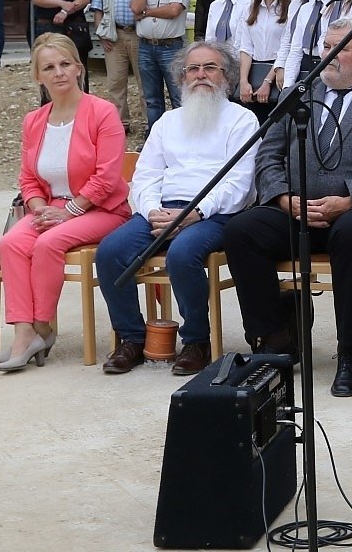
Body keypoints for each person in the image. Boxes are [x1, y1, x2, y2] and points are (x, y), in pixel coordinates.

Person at [225, 22, 352, 395]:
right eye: (325, 46)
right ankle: (276, 339)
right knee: (241, 232)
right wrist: (285, 199)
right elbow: (268, 155)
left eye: (340, 48)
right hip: (297, 211)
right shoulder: (299, 93)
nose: (328, 55)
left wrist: (350, 200)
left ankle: (350, 354)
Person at [94, 41, 259, 377]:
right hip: (162, 210)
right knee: (110, 252)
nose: (200, 75)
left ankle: (196, 341)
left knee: (182, 254)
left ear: (227, 76)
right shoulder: (167, 122)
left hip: (215, 214)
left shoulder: (242, 120)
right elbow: (145, 177)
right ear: (182, 78)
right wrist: (152, 210)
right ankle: (132, 338)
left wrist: (195, 213)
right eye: (192, 69)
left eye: (210, 68)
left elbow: (240, 185)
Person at [0, 33, 129, 372]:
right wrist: (39, 208)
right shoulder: (34, 120)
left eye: (65, 64)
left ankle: (41, 327)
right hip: (52, 207)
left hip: (103, 209)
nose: (59, 73)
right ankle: (24, 332)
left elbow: (108, 176)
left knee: (48, 243)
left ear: (79, 69)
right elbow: (28, 178)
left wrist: (69, 212)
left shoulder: (103, 112)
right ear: (38, 76)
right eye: (49, 67)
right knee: (11, 242)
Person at [92, 0, 147, 128]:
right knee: (115, 83)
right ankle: (121, 123)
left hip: (142, 35)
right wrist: (102, 34)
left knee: (145, 82)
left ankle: (149, 123)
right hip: (115, 36)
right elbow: (97, 7)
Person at [131, 0, 190, 125]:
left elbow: (173, 10)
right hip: (146, 47)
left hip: (171, 48)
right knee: (152, 98)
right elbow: (135, 8)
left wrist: (146, 12)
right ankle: (155, 134)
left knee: (178, 95)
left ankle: (182, 134)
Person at [234, 0, 292, 115]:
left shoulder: (290, 7)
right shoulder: (250, 8)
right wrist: (243, 81)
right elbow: (246, 47)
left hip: (279, 71)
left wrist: (267, 82)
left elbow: (286, 48)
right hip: (254, 69)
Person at [276, 0, 335, 88]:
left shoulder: (336, 3)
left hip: (328, 65)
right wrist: (287, 87)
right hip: (307, 64)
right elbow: (295, 49)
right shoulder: (304, 8)